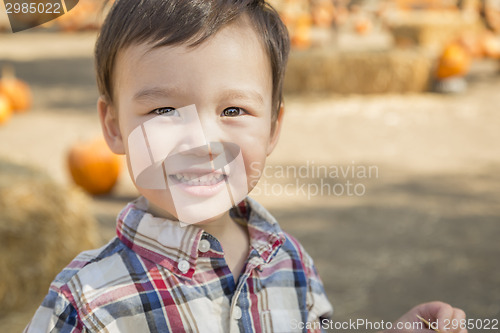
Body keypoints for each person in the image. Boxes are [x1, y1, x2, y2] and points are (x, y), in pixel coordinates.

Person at [25, 0, 466, 332]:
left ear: (273, 128)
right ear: (114, 126)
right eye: (163, 110)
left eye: (234, 111)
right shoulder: (87, 301)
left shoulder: (289, 261)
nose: (201, 142)